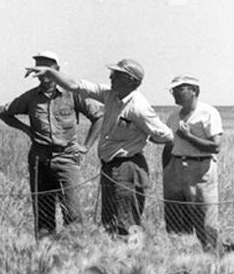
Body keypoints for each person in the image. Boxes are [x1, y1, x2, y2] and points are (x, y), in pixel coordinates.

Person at [30, 58, 173, 239]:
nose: (110, 77)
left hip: (128, 168)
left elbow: (166, 135)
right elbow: (75, 86)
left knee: (126, 225)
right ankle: (117, 262)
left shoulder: (139, 107)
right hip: (111, 167)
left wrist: (146, 137)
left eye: (116, 74)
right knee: (111, 223)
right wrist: (50, 73)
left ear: (130, 81)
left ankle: (132, 261)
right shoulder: (110, 94)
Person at [0, 51, 102, 237]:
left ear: (57, 70)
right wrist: (27, 130)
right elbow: (5, 114)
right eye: (38, 67)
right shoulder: (30, 97)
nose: (42, 72)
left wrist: (85, 146)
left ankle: (76, 256)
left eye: (47, 67)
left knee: (72, 213)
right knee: (44, 214)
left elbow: (98, 117)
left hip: (66, 159)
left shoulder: (72, 94)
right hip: (39, 159)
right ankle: (46, 258)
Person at [158, 76, 222, 252]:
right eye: (173, 90)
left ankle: (210, 261)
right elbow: (168, 146)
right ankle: (181, 260)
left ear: (194, 90)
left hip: (200, 171)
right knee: (175, 220)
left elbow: (215, 146)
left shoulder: (209, 113)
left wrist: (188, 137)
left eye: (179, 89)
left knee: (205, 222)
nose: (175, 94)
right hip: (176, 169)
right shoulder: (173, 117)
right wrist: (167, 171)